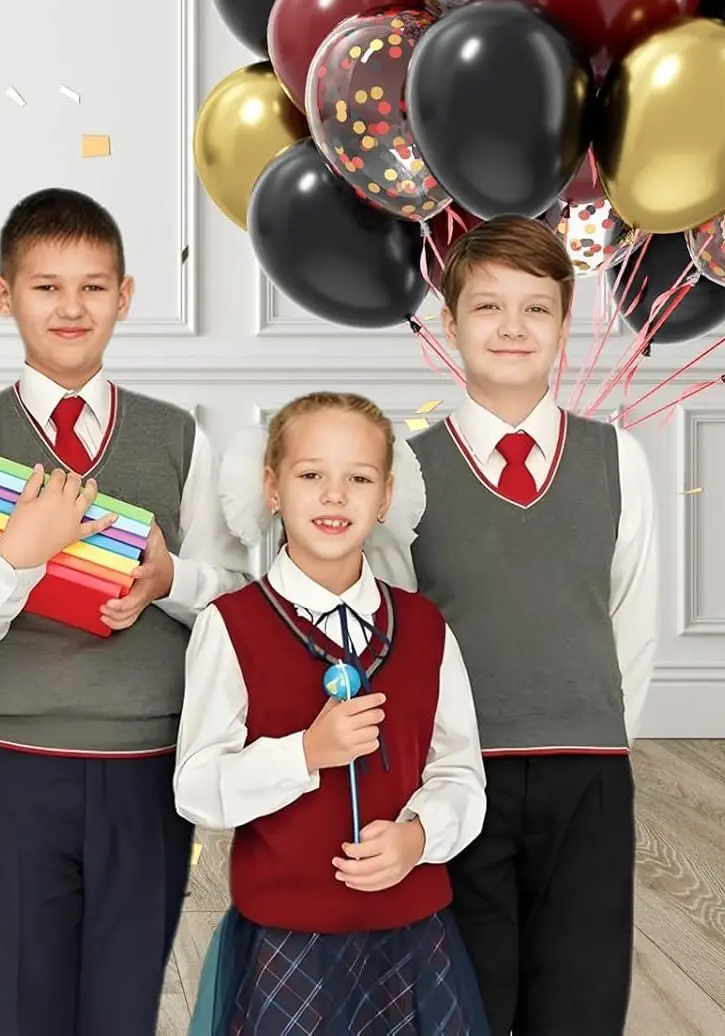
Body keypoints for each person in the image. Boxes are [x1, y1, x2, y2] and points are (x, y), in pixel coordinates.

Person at [0, 187, 253, 1035]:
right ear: (4, 296)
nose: (71, 307)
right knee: (3, 995)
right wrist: (18, 555)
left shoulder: (180, 437)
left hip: (148, 763)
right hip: (10, 764)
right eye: (46, 286)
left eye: (94, 287)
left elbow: (239, 597)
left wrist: (169, 578)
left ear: (126, 297)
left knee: (122, 996)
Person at [365, 214, 658, 1036]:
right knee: (466, 995)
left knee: (582, 993)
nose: (512, 327)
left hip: (587, 772)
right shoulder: (408, 472)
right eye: (488, 307)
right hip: (461, 776)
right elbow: (393, 633)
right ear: (452, 324)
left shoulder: (617, 459)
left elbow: (630, 619)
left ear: (566, 325)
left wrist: (600, 730)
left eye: (536, 308)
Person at [179, 391, 489, 1036]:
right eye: (311, 474)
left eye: (359, 478)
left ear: (383, 499)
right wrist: (303, 753)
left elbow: (460, 772)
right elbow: (197, 790)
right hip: (289, 935)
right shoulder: (231, 626)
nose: (334, 495)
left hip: (412, 929)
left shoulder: (426, 628)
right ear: (272, 488)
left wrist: (419, 838)